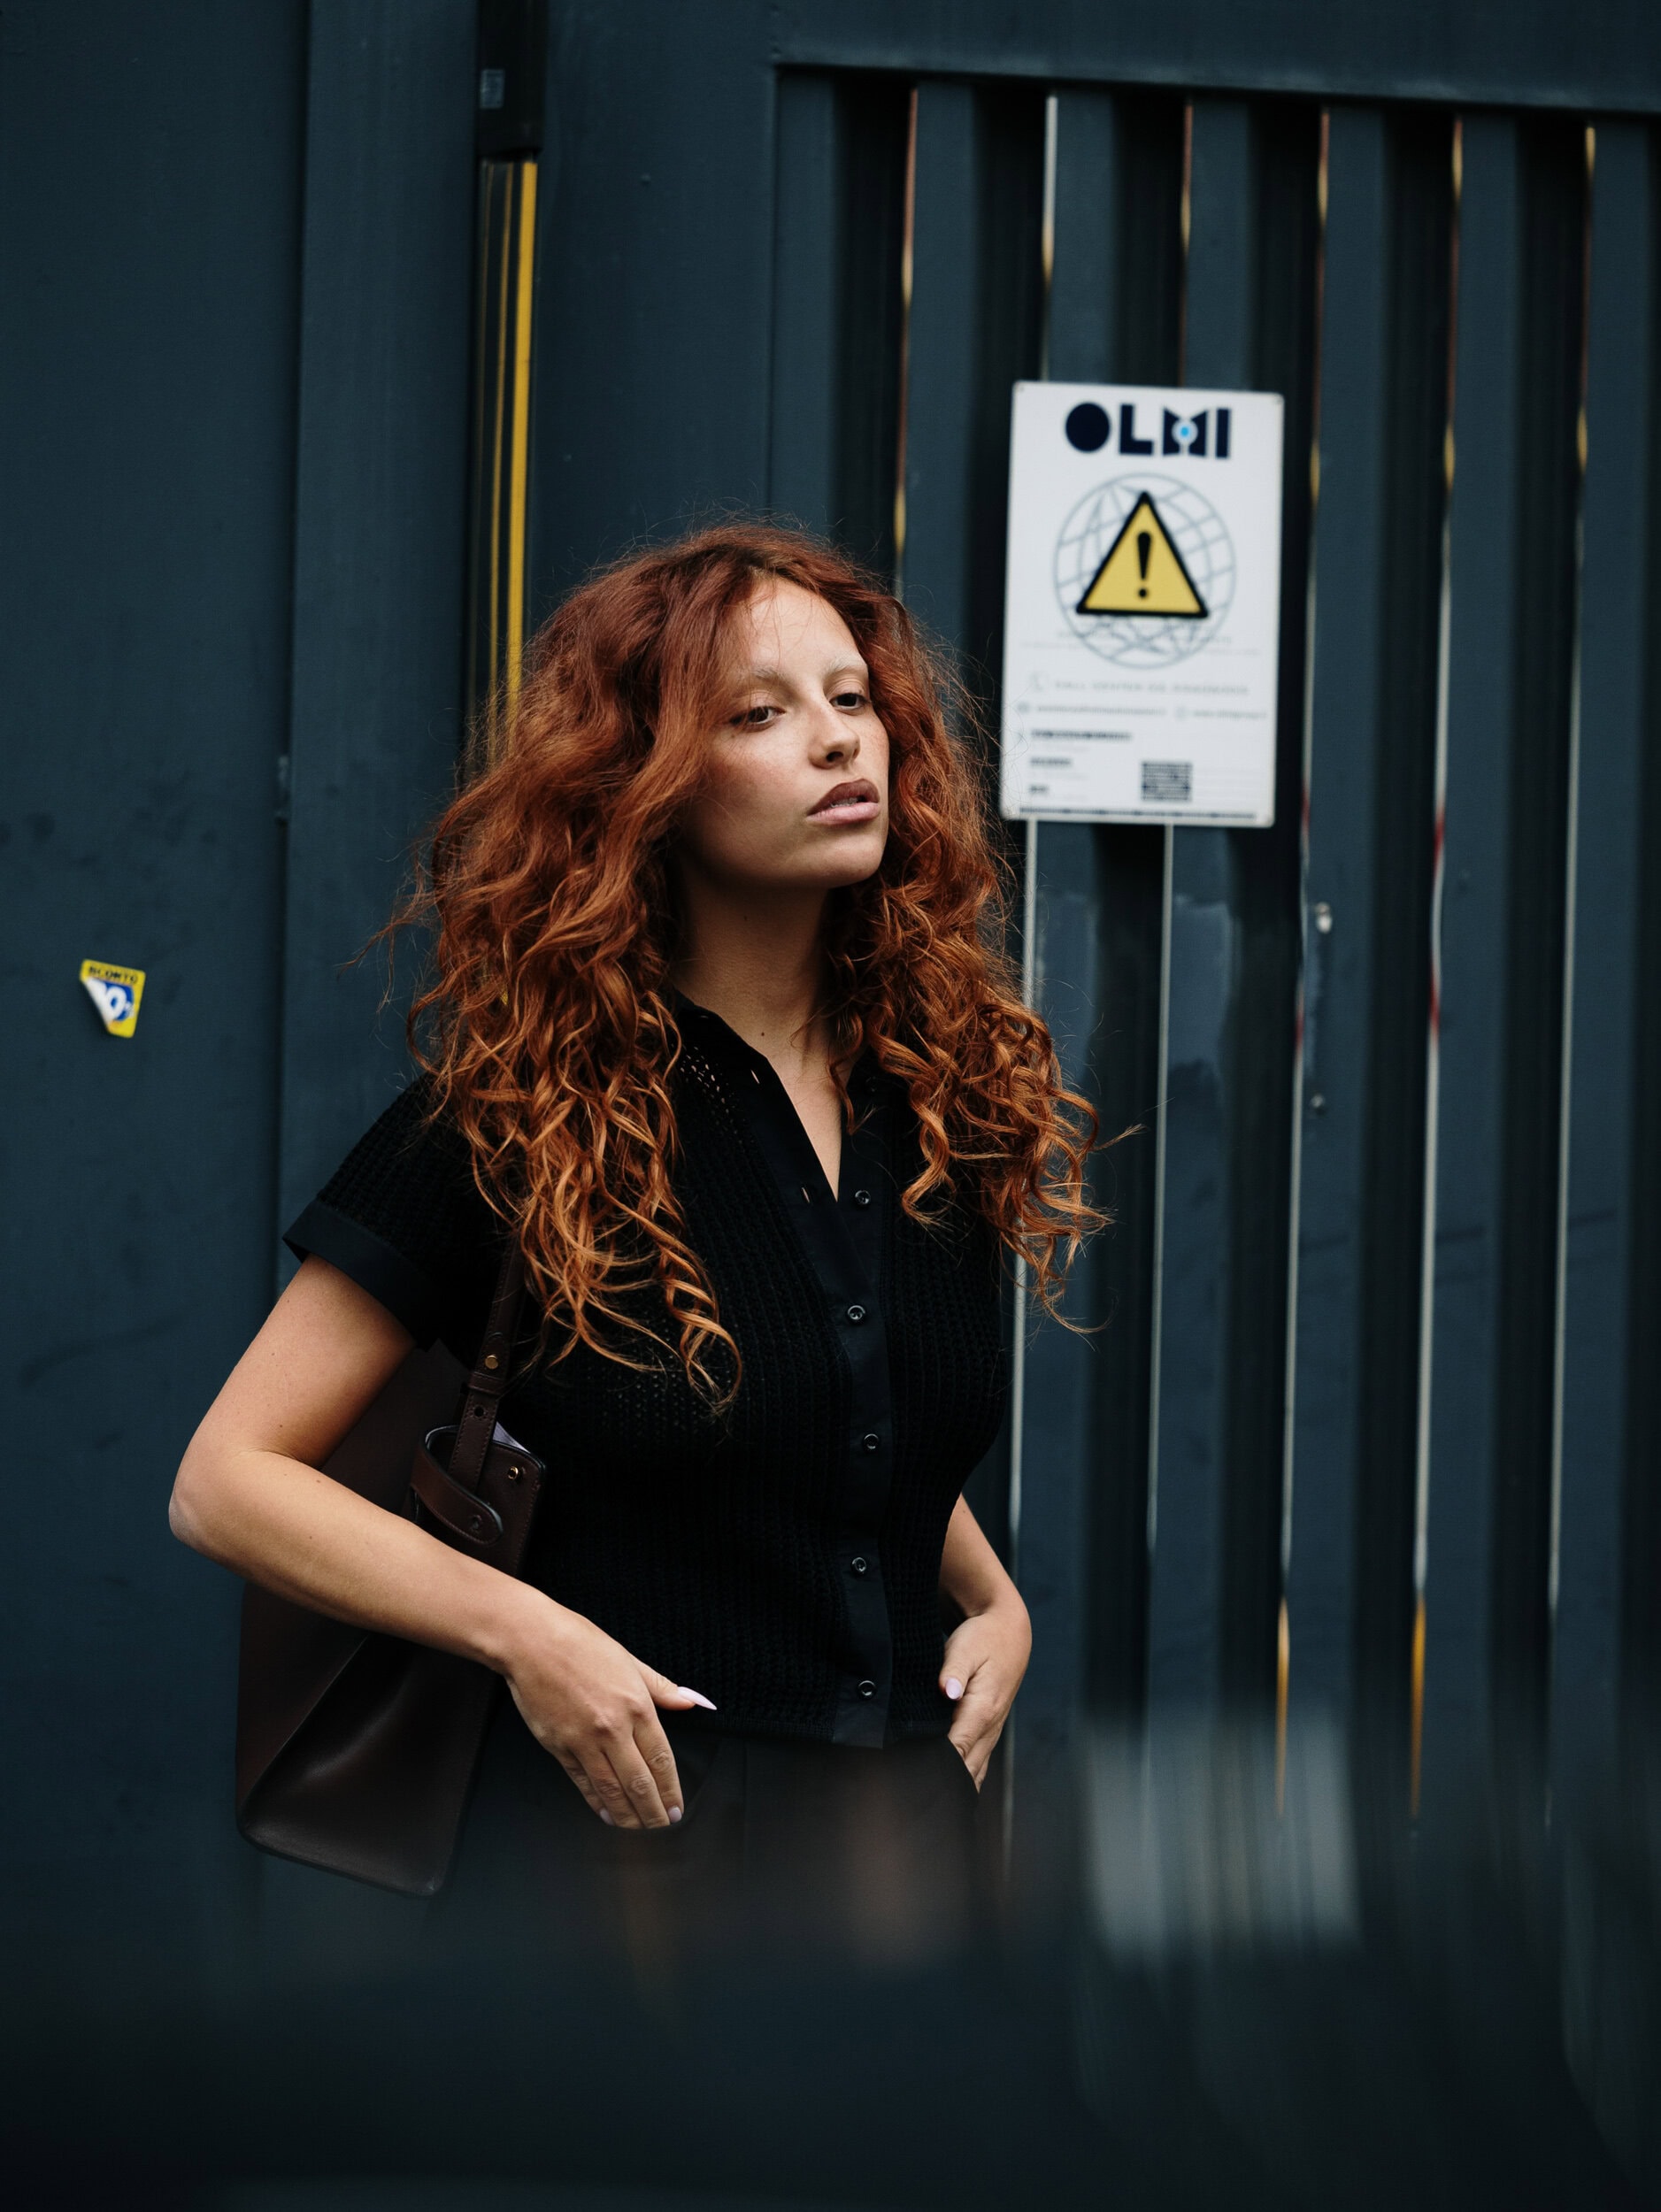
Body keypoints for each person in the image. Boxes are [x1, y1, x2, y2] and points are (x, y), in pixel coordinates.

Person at [169, 524, 1098, 1947]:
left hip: (902, 1849)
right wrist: (527, 1636)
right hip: (617, 1852)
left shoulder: (940, 1098)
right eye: (757, 714)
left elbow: (820, 1404)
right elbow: (227, 1483)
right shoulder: (519, 1117)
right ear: (644, 786)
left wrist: (993, 1602)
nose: (835, 741)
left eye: (851, 699)